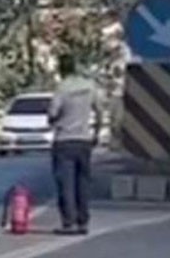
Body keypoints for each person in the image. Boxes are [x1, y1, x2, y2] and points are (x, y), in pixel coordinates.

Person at [48, 53, 101, 235]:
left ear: (61, 69)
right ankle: (83, 222)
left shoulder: (62, 88)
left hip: (64, 141)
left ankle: (68, 223)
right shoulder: (89, 85)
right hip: (84, 140)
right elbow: (99, 110)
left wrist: (53, 120)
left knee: (66, 184)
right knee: (83, 183)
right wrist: (96, 133)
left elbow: (53, 113)